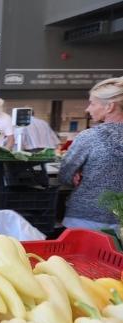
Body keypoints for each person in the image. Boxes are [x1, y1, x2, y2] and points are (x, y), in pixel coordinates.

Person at [58, 77, 123, 230]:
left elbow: (65, 176)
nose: (88, 109)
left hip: (86, 219)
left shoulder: (90, 137)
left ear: (110, 107)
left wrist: (75, 175)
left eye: (92, 103)